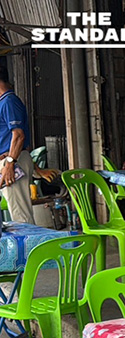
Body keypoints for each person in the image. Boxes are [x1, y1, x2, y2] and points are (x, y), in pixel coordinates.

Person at [0, 67, 58, 223]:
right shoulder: (4, 102)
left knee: (21, 216)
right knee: (16, 213)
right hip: (9, 160)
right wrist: (37, 170)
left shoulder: (9, 102)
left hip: (10, 163)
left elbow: (18, 136)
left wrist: (10, 165)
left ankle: (29, 247)